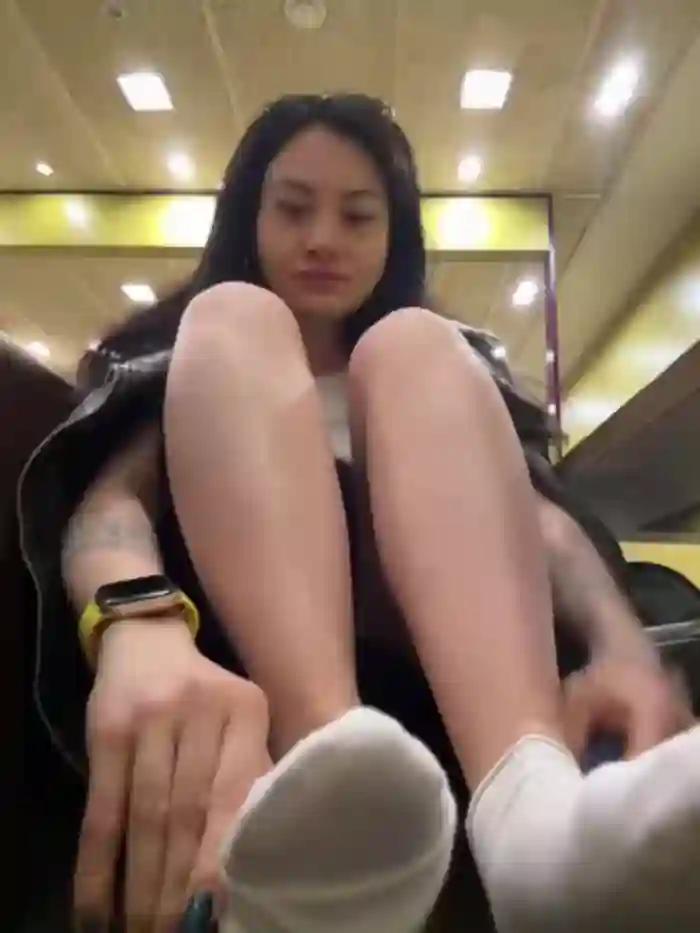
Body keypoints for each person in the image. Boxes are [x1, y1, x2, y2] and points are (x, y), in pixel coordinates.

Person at [18, 94, 697, 933]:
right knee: (234, 317)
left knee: (416, 343)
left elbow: (538, 519)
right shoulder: (192, 353)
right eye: (293, 208)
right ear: (248, 216)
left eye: (358, 215)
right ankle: (332, 778)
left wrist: (622, 643)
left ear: (394, 234)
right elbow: (112, 502)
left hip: (467, 680)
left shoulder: (438, 363)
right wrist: (136, 623)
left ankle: (532, 818)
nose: (322, 239)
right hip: (251, 663)